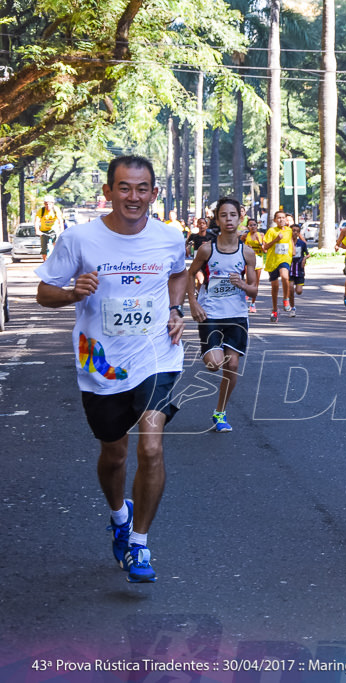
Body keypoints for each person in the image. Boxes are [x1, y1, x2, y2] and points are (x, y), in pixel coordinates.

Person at [34, 155, 186, 583]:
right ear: (108, 192)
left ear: (154, 194)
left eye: (142, 189)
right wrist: (70, 293)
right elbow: (44, 292)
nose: (133, 197)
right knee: (113, 453)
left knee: (151, 446)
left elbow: (179, 274)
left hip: (157, 354)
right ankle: (120, 516)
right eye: (124, 187)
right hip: (99, 361)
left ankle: (138, 544)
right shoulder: (80, 239)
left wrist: (174, 309)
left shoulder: (170, 237)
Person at [186, 197, 258, 433]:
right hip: (211, 314)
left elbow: (254, 289)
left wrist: (242, 285)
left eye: (233, 215)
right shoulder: (208, 249)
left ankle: (220, 413)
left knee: (233, 364)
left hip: (237, 315)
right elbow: (190, 274)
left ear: (240, 217)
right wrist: (193, 302)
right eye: (224, 215)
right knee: (214, 365)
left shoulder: (247, 253)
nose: (229, 219)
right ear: (217, 219)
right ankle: (211, 349)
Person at [263, 210, 293, 322]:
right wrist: (276, 240)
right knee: (274, 287)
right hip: (272, 262)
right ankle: (275, 309)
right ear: (275, 220)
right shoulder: (271, 231)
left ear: (286, 219)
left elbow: (291, 242)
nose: (281, 220)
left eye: (283, 217)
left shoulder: (289, 231)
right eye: (278, 218)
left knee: (285, 277)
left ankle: (286, 299)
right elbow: (265, 247)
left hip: (284, 259)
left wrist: (293, 252)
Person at [243, 218, 265, 313]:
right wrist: (247, 247)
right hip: (248, 259)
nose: (253, 227)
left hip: (258, 258)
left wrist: (259, 242)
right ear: (248, 227)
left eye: (255, 225)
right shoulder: (245, 236)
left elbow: (265, 249)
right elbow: (240, 246)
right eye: (251, 225)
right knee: (248, 280)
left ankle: (253, 303)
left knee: (256, 283)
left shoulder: (261, 235)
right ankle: (246, 296)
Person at [35, 196, 65, 262]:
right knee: (44, 249)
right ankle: (45, 262)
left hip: (54, 230)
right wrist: (37, 230)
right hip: (44, 231)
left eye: (49, 204)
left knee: (57, 244)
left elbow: (60, 220)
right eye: (46, 204)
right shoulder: (41, 210)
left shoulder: (56, 209)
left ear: (52, 204)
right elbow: (37, 221)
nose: (47, 205)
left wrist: (62, 231)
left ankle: (59, 260)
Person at [288, 221, 309, 315]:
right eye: (293, 230)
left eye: (297, 231)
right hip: (289, 268)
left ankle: (291, 301)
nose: (295, 233)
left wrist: (304, 258)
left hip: (299, 268)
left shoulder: (302, 244)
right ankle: (292, 307)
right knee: (291, 289)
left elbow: (308, 254)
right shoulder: (287, 242)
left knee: (299, 291)